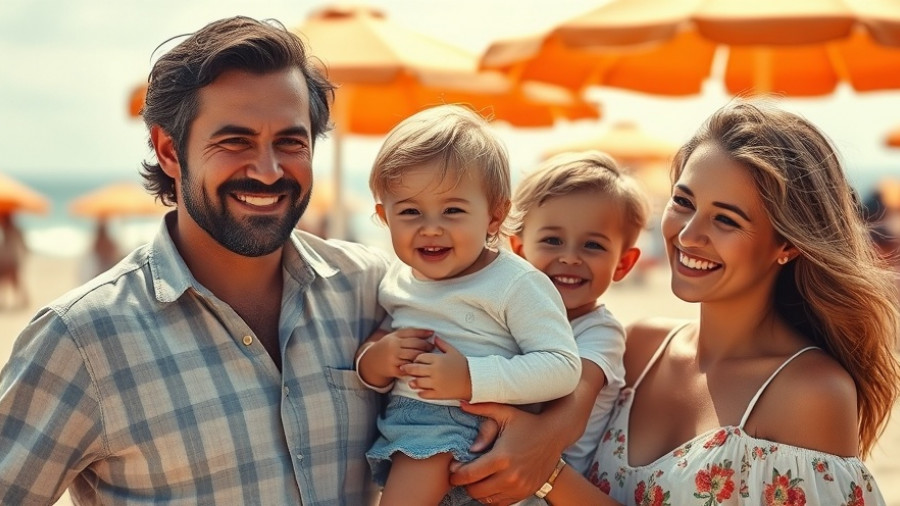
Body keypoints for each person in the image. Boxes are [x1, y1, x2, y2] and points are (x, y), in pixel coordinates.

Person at [0, 16, 391, 504]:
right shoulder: (81, 340)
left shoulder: (373, 289)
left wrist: (517, 435)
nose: (268, 171)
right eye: (235, 141)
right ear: (169, 150)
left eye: (290, 142)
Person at [449, 99, 900, 505]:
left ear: (788, 244)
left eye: (725, 219)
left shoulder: (810, 392)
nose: (686, 235)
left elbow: (547, 465)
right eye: (683, 202)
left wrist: (547, 473)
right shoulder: (638, 347)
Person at [355, 104, 581, 505]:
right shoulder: (396, 280)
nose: (431, 227)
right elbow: (375, 345)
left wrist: (471, 378)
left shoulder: (515, 283)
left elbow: (562, 367)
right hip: (408, 423)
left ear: (495, 216)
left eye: (453, 210)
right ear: (384, 217)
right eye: (409, 211)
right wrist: (376, 361)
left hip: (467, 424)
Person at [506, 151, 649, 480]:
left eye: (593, 246)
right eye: (552, 240)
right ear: (519, 248)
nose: (570, 258)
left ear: (624, 264)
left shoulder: (599, 333)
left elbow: (568, 418)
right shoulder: (507, 315)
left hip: (546, 489)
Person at [0, 212, 28, 310]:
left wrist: (24, 256)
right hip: (4, 260)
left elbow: (23, 245)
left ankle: (25, 301)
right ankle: (4, 302)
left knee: (15, 282)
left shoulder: (15, 230)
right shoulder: (3, 230)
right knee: (6, 282)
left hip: (11, 260)